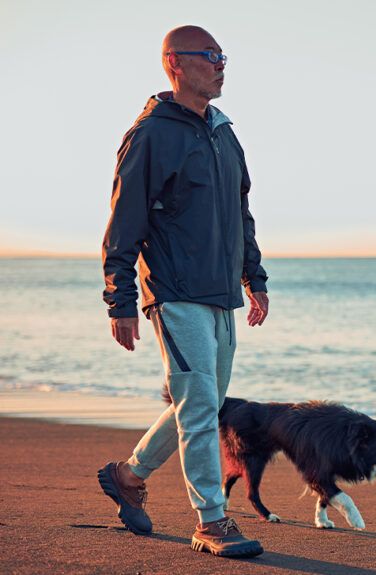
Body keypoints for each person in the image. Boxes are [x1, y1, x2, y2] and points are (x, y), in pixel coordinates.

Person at [97, 25, 268, 558]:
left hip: (220, 293)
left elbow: (240, 215)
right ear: (176, 63)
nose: (221, 65)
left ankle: (129, 474)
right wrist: (120, 300)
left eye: (224, 57)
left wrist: (253, 278)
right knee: (199, 409)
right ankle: (212, 521)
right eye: (211, 56)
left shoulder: (224, 133)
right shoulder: (151, 134)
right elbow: (123, 223)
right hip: (173, 292)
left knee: (203, 402)